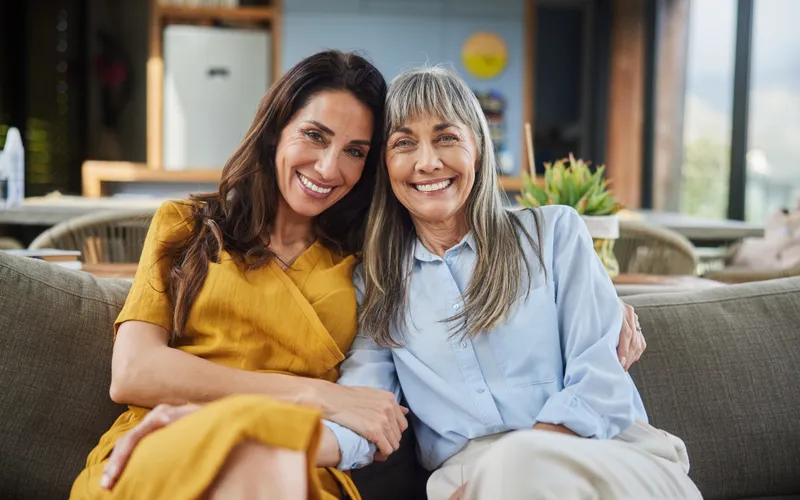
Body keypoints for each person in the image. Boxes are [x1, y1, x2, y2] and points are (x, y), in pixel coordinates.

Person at [81, 55, 646, 499]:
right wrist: (284, 404)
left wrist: (600, 310)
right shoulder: (188, 228)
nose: (330, 168)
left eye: (355, 150)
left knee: (265, 467)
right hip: (197, 431)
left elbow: (369, 402)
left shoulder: (361, 262)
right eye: (315, 136)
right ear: (277, 130)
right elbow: (134, 370)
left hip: (299, 451)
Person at [324, 66, 700, 499]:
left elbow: (601, 379)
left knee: (514, 467)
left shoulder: (553, 235)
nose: (427, 161)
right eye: (404, 143)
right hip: (472, 479)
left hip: (608, 459)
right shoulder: (377, 283)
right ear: (385, 167)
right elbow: (362, 407)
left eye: (447, 138)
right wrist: (287, 443)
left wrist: (516, 465)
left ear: (479, 150)